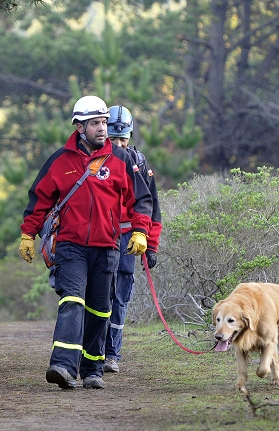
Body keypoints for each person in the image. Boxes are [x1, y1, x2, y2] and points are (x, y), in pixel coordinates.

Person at [19, 95, 153, 390]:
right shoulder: (60, 160)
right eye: (95, 123)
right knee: (72, 301)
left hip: (107, 246)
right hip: (71, 246)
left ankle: (93, 369)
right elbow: (39, 200)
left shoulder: (122, 159)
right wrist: (28, 234)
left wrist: (141, 232)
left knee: (100, 308)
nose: (102, 128)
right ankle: (63, 366)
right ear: (79, 127)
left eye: (104, 122)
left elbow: (141, 200)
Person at [103, 105, 162, 374]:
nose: (117, 146)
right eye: (112, 140)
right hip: (101, 235)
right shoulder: (94, 162)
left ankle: (112, 353)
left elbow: (151, 205)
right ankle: (92, 350)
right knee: (99, 292)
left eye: (122, 140)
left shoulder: (139, 162)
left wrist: (151, 244)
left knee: (121, 296)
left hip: (130, 238)